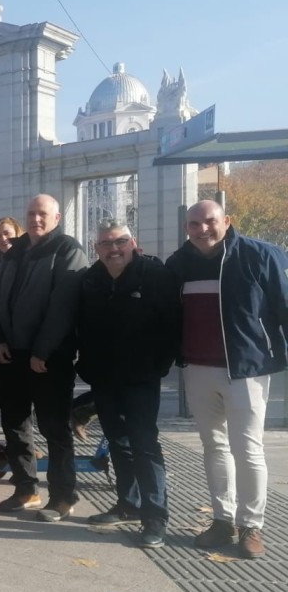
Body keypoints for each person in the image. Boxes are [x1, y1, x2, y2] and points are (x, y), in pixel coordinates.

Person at [166, 200, 288, 559]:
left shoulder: (260, 255)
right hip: (198, 369)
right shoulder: (179, 263)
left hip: (246, 370)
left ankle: (252, 526)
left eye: (210, 222)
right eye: (194, 224)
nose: (202, 229)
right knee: (214, 447)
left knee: (248, 449)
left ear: (227, 221)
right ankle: (223, 520)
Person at [78, 222, 179, 548]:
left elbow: (172, 323)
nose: (114, 248)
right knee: (118, 442)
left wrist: (158, 365)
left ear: (133, 242)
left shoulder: (153, 274)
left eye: (120, 241)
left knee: (144, 445)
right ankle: (128, 504)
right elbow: (84, 327)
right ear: (97, 249)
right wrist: (88, 369)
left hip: (141, 378)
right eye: (106, 243)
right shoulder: (91, 279)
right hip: (105, 378)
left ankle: (155, 517)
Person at [0, 194, 88, 521]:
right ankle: (26, 488)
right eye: (31, 213)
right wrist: (0, 340)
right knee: (15, 424)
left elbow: (64, 306)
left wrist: (41, 351)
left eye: (42, 214)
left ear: (56, 218)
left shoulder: (68, 250)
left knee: (54, 428)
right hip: (12, 356)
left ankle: (63, 497)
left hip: (49, 359)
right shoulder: (15, 251)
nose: (36, 219)